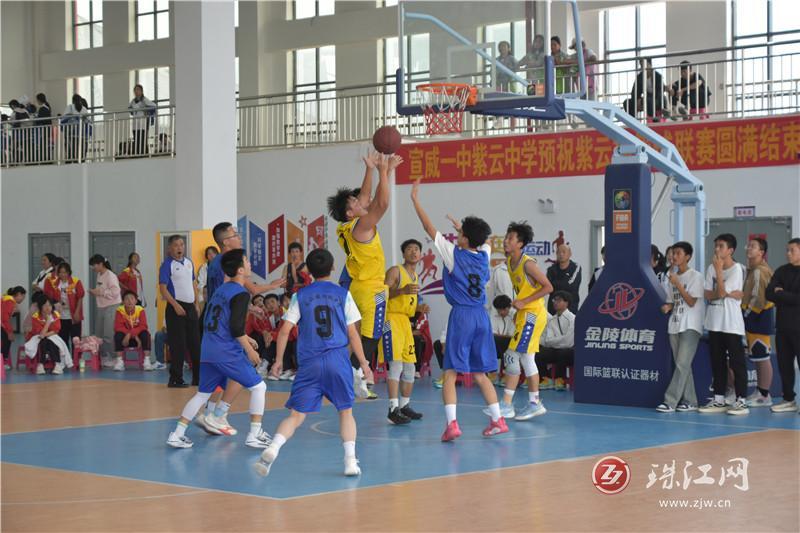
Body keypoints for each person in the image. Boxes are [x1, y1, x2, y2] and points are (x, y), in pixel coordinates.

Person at [255, 248, 373, 477]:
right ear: (332, 267)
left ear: (308, 270)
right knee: (346, 412)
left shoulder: (301, 296)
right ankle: (350, 461)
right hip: (337, 360)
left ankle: (273, 448)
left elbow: (284, 331)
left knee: (296, 416)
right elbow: (353, 334)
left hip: (309, 361)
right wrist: (364, 363)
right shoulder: (343, 294)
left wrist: (278, 361)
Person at [410, 180, 507, 440]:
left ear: (464, 238)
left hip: (462, 315)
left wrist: (415, 200)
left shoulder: (454, 255)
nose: (457, 236)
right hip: (481, 316)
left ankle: (452, 424)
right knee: (480, 373)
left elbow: (429, 228)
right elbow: (482, 240)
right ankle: (498, 420)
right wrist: (462, 230)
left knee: (450, 372)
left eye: (460, 233)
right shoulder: (484, 254)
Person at [166, 249, 271, 449]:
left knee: (202, 394)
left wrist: (245, 337)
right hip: (226, 351)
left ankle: (177, 434)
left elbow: (216, 321)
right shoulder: (241, 293)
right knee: (259, 387)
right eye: (247, 261)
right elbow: (235, 328)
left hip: (208, 349)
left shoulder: (220, 291)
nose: (250, 264)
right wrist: (249, 350)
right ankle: (255, 434)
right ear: (240, 270)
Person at [193, 223, 283, 433]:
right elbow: (248, 289)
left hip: (213, 321)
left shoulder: (215, 262)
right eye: (235, 234)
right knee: (243, 368)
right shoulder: (230, 263)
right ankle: (219, 415)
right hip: (224, 326)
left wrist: (248, 307)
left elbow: (227, 294)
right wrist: (272, 286)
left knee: (221, 374)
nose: (240, 237)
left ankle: (210, 414)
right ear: (226, 241)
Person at [327, 151, 403, 397]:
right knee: (372, 336)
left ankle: (350, 373)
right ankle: (354, 375)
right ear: (351, 212)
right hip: (371, 289)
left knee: (359, 335)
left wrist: (370, 168)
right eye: (356, 203)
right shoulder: (362, 226)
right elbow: (382, 203)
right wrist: (384, 171)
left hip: (358, 288)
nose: (362, 202)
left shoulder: (346, 225)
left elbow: (366, 197)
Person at [492, 222, 553, 421]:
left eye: (510, 238)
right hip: (525, 315)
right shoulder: (510, 262)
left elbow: (548, 287)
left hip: (533, 315)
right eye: (506, 237)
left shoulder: (528, 264)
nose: (506, 241)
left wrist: (524, 302)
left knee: (511, 355)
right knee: (527, 359)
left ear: (520, 243)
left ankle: (507, 405)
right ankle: (534, 403)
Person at [699, 234, 749, 415]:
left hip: (731, 324)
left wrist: (719, 272)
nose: (717, 249)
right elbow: (707, 294)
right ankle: (719, 399)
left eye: (721, 246)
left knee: (737, 363)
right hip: (714, 322)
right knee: (717, 362)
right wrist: (726, 293)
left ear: (730, 250)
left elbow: (719, 292)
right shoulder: (710, 268)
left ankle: (741, 400)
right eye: (716, 245)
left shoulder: (736, 269)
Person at [379, 238, 425, 425]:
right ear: (403, 253)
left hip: (405, 322)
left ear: (420, 254)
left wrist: (419, 308)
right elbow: (381, 295)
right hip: (391, 319)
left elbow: (407, 302)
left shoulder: (415, 276)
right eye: (410, 249)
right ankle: (392, 408)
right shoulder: (395, 271)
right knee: (396, 365)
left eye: (417, 249)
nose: (414, 252)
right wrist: (401, 291)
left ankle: (405, 405)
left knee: (410, 367)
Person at [656, 242, 705, 413]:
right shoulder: (672, 277)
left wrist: (677, 283)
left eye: (678, 253)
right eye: (673, 253)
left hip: (690, 325)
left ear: (688, 257)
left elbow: (691, 301)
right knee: (682, 365)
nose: (674, 256)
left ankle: (670, 401)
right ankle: (691, 401)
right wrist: (667, 307)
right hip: (675, 324)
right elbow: (672, 301)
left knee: (682, 364)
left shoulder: (696, 276)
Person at [159, 235, 201, 387]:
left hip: (190, 307)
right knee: (178, 344)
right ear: (170, 248)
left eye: (182, 244)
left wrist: (196, 303)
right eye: (176, 245)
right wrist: (175, 305)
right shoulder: (167, 265)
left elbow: (193, 282)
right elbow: (163, 289)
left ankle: (198, 378)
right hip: (175, 308)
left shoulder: (189, 262)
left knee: (195, 343)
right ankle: (176, 379)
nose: (179, 248)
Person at [766, 238, 800, 414]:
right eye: (787, 250)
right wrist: (785, 295)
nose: (788, 253)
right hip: (782, 327)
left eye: (792, 250)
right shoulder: (781, 271)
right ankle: (788, 399)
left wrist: (781, 293)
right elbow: (769, 293)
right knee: (784, 365)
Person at [741, 238, 775, 407]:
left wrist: (745, 315)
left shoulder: (759, 271)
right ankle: (760, 391)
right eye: (748, 246)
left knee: (762, 357)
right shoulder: (751, 270)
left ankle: (764, 394)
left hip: (758, 319)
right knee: (758, 357)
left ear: (761, 252)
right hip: (754, 319)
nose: (749, 248)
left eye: (753, 246)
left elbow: (758, 299)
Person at [536, 291, 575, 391]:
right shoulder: (552, 320)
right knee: (539, 353)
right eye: (554, 300)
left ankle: (560, 379)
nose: (555, 302)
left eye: (559, 300)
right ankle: (546, 378)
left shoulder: (572, 319)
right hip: (557, 350)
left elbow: (569, 342)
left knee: (563, 353)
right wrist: (560, 340)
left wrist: (556, 341)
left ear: (566, 303)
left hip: (570, 351)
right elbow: (548, 340)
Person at [88, 254, 122, 369]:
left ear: (101, 264)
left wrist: (101, 293)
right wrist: (96, 291)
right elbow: (102, 289)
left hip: (112, 306)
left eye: (94, 265)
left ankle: (114, 357)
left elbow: (116, 292)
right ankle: (104, 356)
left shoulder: (110, 275)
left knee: (108, 334)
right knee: (99, 334)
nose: (93, 268)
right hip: (102, 306)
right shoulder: (99, 274)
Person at [43, 262, 84, 353]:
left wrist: (77, 312)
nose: (63, 274)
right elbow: (51, 298)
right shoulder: (54, 284)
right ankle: (65, 357)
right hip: (60, 316)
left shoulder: (76, 282)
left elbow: (80, 297)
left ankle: (76, 358)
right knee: (62, 338)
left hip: (73, 315)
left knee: (76, 339)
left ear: (69, 272)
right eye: (60, 272)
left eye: (65, 272)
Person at [27, 292, 65, 375]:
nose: (48, 308)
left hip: (50, 335)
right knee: (43, 342)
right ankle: (41, 364)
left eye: (50, 305)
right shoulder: (36, 316)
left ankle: (57, 364)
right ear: (40, 307)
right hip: (37, 337)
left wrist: (45, 335)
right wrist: (48, 322)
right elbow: (40, 334)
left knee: (52, 341)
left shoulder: (56, 315)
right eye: (45, 305)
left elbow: (55, 330)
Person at [114, 291, 153, 371]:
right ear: (123, 302)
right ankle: (119, 362)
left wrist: (133, 335)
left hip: (138, 340)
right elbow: (118, 327)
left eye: (132, 298)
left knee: (145, 334)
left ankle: (147, 361)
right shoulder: (120, 310)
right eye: (127, 299)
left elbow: (143, 326)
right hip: (125, 340)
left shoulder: (140, 310)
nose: (129, 301)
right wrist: (129, 335)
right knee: (118, 335)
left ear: (135, 301)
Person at [627, 58, 666, 122]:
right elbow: (634, 91)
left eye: (645, 65)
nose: (643, 67)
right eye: (642, 65)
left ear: (650, 65)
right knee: (627, 103)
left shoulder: (657, 76)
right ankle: (633, 122)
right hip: (645, 99)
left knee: (648, 101)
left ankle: (655, 120)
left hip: (657, 99)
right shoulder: (639, 77)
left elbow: (660, 90)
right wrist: (638, 99)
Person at [546, 244, 581, 314]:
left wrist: (556, 285)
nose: (561, 254)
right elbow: (549, 288)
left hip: (570, 307)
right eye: (559, 252)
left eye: (564, 252)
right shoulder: (551, 269)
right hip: (553, 307)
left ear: (570, 254)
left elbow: (572, 286)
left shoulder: (575, 267)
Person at [246, 294, 272, 376]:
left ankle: (263, 363)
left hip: (272, 336)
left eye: (261, 300)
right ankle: (258, 362)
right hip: (262, 337)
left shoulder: (273, 312)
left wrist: (268, 333)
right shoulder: (253, 315)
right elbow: (250, 330)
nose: (259, 303)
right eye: (256, 302)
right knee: (255, 337)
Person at [491, 295, 515, 382]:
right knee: (489, 342)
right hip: (498, 344)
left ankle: (505, 373)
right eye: (498, 310)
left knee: (497, 341)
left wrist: (499, 335)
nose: (500, 312)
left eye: (502, 310)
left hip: (512, 343)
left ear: (509, 307)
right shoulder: (494, 316)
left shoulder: (514, 315)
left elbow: (512, 336)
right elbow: (491, 332)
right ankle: (492, 372)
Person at [2, 287, 27, 369]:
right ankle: (3, 361)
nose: (23, 299)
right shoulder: (9, 301)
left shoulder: (7, 299)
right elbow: (4, 319)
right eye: (23, 297)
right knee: (6, 338)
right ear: (19, 294)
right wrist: (10, 332)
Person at [61, 94, 91, 161]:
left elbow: (63, 119)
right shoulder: (84, 109)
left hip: (71, 134)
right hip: (82, 134)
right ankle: (81, 161)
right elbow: (88, 121)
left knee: (71, 150)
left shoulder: (70, 107)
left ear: (73, 100)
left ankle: (71, 162)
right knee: (81, 150)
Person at [128, 84, 156, 156]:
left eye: (138, 90)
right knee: (136, 138)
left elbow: (154, 105)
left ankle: (144, 154)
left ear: (141, 91)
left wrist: (146, 110)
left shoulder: (144, 100)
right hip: (135, 123)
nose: (136, 91)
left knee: (143, 138)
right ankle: (137, 154)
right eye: (135, 90)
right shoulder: (133, 101)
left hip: (143, 123)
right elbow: (129, 109)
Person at [33, 93, 52, 162]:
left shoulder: (43, 108)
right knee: (45, 145)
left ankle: (43, 159)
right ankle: (46, 159)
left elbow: (40, 120)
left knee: (42, 146)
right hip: (47, 130)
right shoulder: (47, 107)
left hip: (43, 130)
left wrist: (35, 118)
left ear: (39, 100)